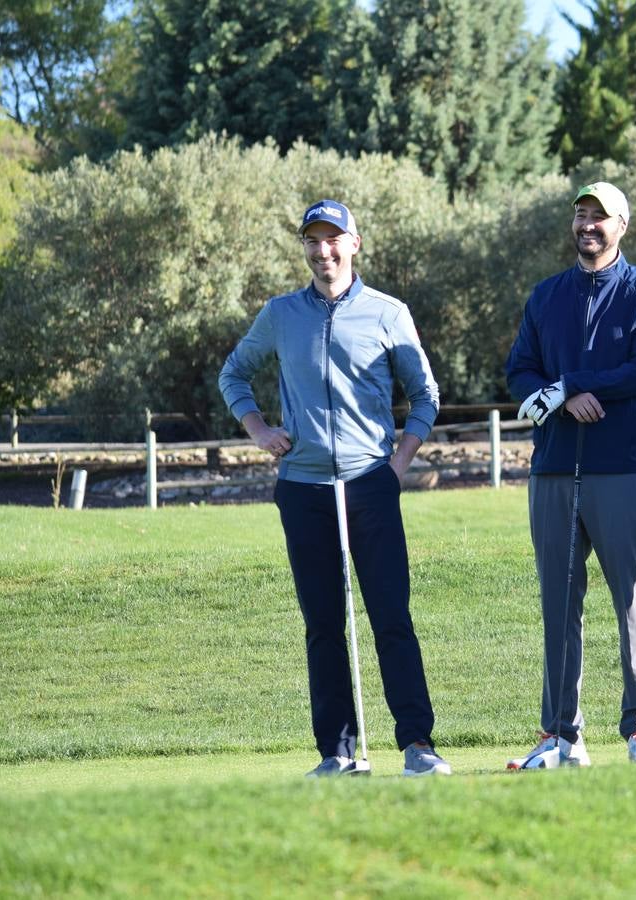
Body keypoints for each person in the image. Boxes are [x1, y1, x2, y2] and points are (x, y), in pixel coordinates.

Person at [218, 199, 452, 777]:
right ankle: (337, 752)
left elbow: (426, 396)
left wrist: (398, 463)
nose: (323, 251)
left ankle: (417, 745)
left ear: (355, 243)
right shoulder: (280, 314)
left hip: (370, 482)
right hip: (304, 488)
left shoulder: (387, 313)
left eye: (333, 240)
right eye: (312, 241)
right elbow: (234, 373)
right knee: (323, 624)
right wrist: (258, 428)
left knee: (390, 616)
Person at [504, 181, 636, 767]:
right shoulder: (545, 296)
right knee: (559, 604)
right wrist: (561, 394)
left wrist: (576, 384)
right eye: (580, 215)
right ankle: (560, 736)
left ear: (621, 225)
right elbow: (519, 371)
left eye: (599, 217)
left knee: (633, 601)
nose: (587, 226)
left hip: (620, 469)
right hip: (552, 470)